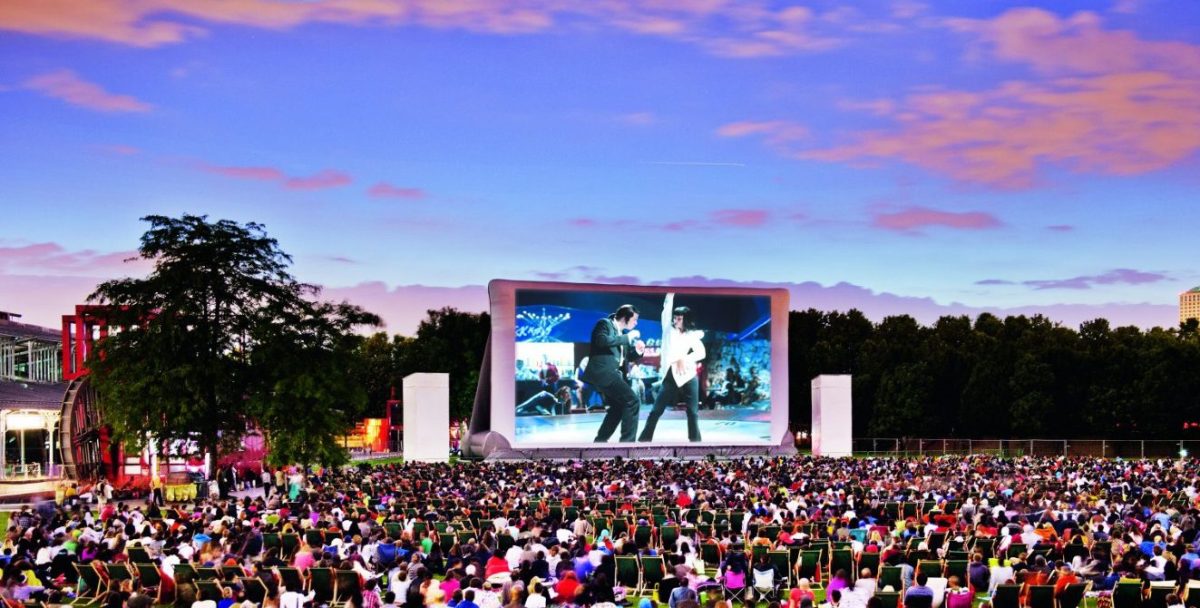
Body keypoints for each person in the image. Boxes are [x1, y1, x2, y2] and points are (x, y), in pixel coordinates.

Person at [639, 294, 706, 442]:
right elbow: (666, 309)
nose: (675, 320)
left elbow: (701, 353)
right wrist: (670, 293)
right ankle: (644, 440)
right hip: (671, 376)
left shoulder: (691, 335)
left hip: (689, 375)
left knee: (693, 413)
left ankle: (695, 442)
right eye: (675, 317)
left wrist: (684, 358)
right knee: (656, 410)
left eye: (679, 318)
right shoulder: (668, 329)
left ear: (686, 319)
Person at [583, 304, 646, 443]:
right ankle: (627, 444)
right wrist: (627, 338)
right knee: (633, 401)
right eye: (634, 319)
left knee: (617, 408)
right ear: (625, 318)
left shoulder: (622, 335)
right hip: (604, 372)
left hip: (614, 375)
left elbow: (626, 357)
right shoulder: (604, 324)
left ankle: (600, 441)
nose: (636, 323)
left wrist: (638, 351)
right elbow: (601, 341)